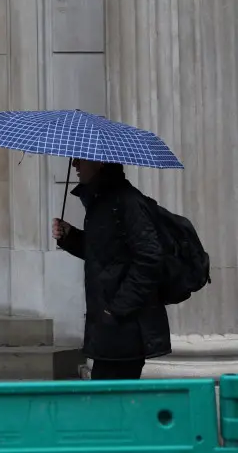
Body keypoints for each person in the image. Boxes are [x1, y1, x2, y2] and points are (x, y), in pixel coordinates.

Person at [52, 158, 170, 380]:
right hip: (110, 326)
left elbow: (150, 259)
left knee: (109, 401)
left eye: (81, 159)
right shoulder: (102, 201)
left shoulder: (127, 202)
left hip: (125, 326)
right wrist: (71, 237)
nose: (74, 164)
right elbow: (107, 254)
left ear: (100, 163)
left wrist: (116, 310)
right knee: (107, 401)